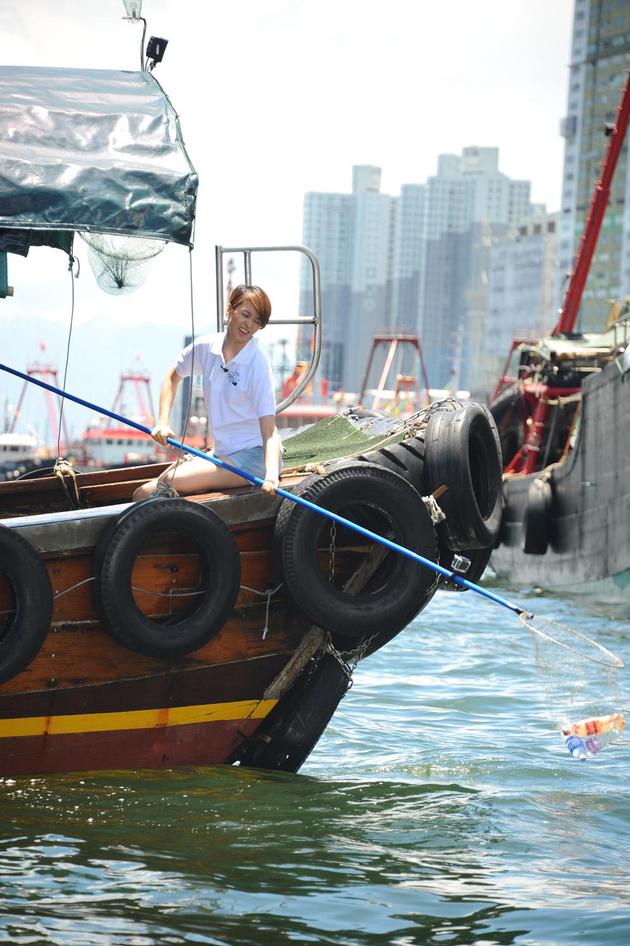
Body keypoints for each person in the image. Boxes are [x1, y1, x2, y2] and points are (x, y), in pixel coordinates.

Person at [133, 284, 282, 501]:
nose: (249, 325)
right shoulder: (207, 347)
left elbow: (270, 433)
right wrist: (162, 422)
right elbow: (171, 378)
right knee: (142, 493)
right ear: (230, 310)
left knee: (167, 483)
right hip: (222, 454)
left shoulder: (258, 364)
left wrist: (271, 476)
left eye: (257, 321)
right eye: (245, 315)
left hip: (254, 458)